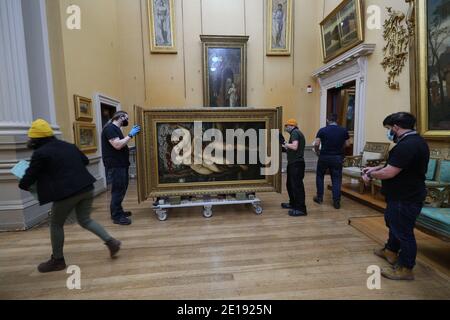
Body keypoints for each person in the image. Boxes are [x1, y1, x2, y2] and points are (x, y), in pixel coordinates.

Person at [19, 119, 121, 273]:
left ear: (36, 139)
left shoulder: (40, 153)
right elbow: (85, 160)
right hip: (87, 187)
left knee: (56, 224)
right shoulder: (68, 146)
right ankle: (111, 242)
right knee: (85, 219)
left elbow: (30, 176)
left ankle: (58, 260)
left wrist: (23, 184)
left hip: (67, 193)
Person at [362, 112, 429, 281]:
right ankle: (390, 250)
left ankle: (406, 268)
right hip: (402, 194)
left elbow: (390, 172)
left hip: (405, 196)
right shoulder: (415, 141)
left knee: (403, 231)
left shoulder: (407, 145)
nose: (389, 131)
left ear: (396, 127)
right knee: (394, 224)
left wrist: (370, 176)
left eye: (389, 128)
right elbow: (395, 165)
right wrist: (375, 169)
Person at [101, 111, 141, 225]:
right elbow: (117, 145)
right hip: (115, 165)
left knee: (121, 189)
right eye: (126, 118)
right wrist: (130, 135)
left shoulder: (116, 129)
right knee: (118, 191)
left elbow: (122, 145)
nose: (126, 121)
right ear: (120, 117)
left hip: (121, 164)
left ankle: (118, 211)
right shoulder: (110, 129)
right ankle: (117, 216)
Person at [313, 114, 351, 209]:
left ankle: (319, 197)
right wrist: (339, 148)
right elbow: (348, 144)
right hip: (337, 157)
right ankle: (336, 202)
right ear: (337, 120)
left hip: (324, 156)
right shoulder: (343, 130)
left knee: (320, 176)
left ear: (327, 120)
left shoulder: (322, 130)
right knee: (336, 179)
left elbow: (317, 143)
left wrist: (318, 152)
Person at [281, 119, 307, 217]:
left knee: (297, 187)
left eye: (286, 126)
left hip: (296, 164)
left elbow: (295, 147)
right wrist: (284, 146)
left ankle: (301, 209)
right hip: (293, 163)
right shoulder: (295, 133)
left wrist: (284, 143)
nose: (285, 128)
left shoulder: (295, 132)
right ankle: (293, 204)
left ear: (292, 126)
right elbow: (292, 149)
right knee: (290, 185)